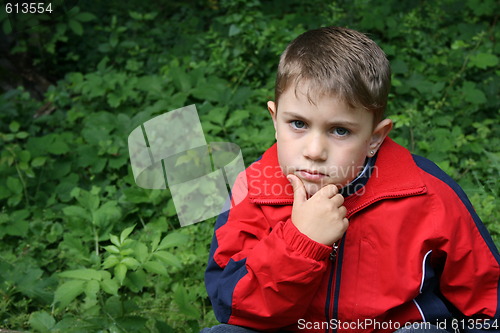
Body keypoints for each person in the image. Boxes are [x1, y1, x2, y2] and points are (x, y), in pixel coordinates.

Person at [201, 26, 500, 333]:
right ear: (275, 121)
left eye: (340, 130)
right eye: (298, 124)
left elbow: (488, 300)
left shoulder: (426, 193)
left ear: (375, 137)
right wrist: (300, 243)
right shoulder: (254, 189)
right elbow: (234, 306)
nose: (314, 151)